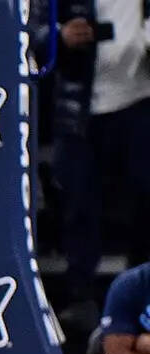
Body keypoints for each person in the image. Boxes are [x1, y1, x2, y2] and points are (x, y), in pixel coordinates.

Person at [53, 0, 150, 310]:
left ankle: (142, 295)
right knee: (79, 207)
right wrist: (58, 36)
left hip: (138, 100)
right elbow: (26, 27)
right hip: (80, 111)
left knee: (145, 204)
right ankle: (80, 299)